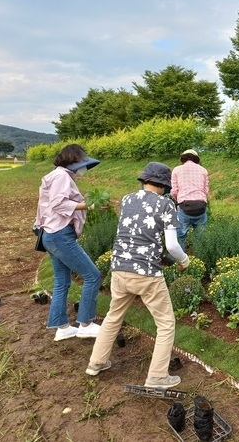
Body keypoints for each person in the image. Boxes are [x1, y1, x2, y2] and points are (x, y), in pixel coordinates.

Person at [85, 162, 190, 389]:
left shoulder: (127, 199)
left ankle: (96, 362)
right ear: (164, 185)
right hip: (147, 274)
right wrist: (184, 259)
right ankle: (157, 377)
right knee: (165, 324)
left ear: (144, 181)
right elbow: (172, 245)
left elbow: (135, 234)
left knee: (113, 317)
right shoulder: (166, 205)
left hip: (120, 268)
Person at [34, 144, 102, 341]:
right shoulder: (62, 176)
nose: (83, 168)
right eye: (82, 162)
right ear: (73, 160)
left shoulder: (56, 175)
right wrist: (90, 205)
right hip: (60, 234)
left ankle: (62, 327)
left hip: (51, 234)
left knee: (62, 281)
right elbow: (59, 203)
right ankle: (86, 324)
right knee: (92, 275)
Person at [170, 149, 209, 250]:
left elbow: (174, 191)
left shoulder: (177, 170)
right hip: (201, 206)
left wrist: (178, 201)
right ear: (196, 159)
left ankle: (180, 259)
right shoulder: (203, 170)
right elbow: (206, 191)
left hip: (184, 206)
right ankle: (200, 256)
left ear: (183, 158)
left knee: (181, 235)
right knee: (200, 235)